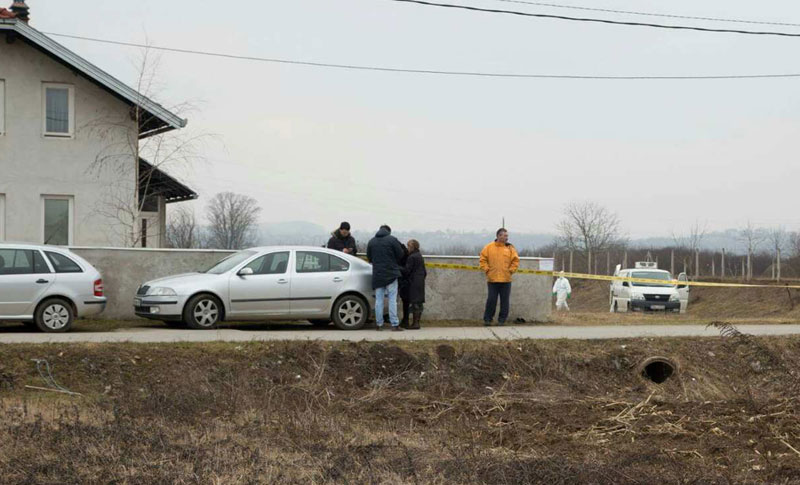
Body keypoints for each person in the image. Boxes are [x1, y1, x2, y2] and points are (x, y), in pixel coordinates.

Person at [366, 225, 406, 331]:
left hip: (378, 275)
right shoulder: (392, 240)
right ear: (389, 231)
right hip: (391, 274)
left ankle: (379, 324)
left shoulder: (372, 241)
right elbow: (400, 254)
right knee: (392, 300)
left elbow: (369, 257)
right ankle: (394, 324)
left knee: (379, 300)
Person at [479, 228, 520, 326]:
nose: (506, 237)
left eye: (507, 236)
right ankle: (488, 319)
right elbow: (482, 260)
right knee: (491, 300)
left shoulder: (510, 248)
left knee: (504, 301)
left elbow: (515, 261)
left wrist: (511, 270)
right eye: (504, 235)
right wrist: (487, 270)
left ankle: (502, 320)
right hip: (492, 279)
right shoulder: (488, 247)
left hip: (506, 279)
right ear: (498, 236)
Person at [401, 239, 427, 330]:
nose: (407, 248)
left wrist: (399, 268)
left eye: (408, 246)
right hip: (420, 281)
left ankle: (415, 324)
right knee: (418, 302)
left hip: (413, 282)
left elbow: (407, 271)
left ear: (413, 247)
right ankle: (416, 322)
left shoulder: (411, 257)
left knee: (414, 302)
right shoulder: (419, 255)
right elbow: (424, 271)